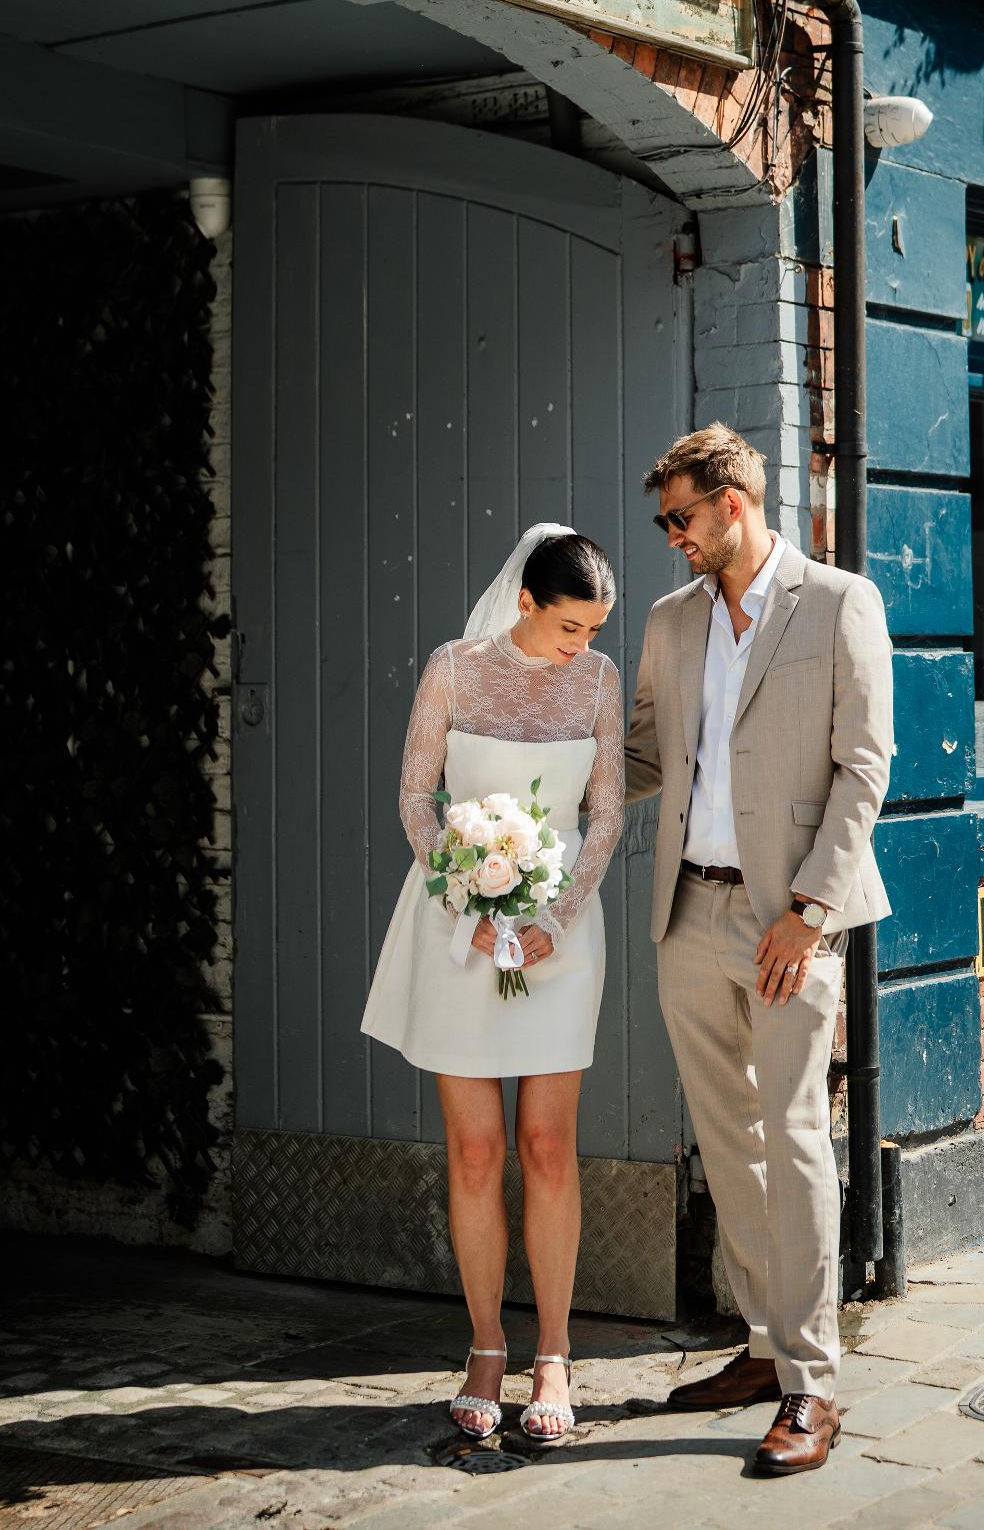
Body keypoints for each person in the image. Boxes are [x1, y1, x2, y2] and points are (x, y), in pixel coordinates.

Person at [624, 425, 893, 1477]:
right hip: (685, 914)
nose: (670, 539)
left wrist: (809, 910)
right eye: (663, 521)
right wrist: (542, 765)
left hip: (788, 920)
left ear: (731, 503)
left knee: (792, 1139)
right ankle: (757, 1344)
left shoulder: (836, 603)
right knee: (724, 1139)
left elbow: (863, 769)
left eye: (678, 518)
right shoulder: (665, 621)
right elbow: (645, 753)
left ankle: (813, 1385)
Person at [362, 526, 624, 1445]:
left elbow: (605, 811)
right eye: (569, 625)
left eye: (595, 628)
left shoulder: (597, 682)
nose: (582, 644)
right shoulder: (454, 668)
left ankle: (552, 1350)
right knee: (475, 1153)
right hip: (460, 930)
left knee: (547, 1143)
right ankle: (484, 1345)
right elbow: (414, 795)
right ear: (525, 600)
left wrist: (554, 918)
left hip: (558, 932)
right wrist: (459, 894)